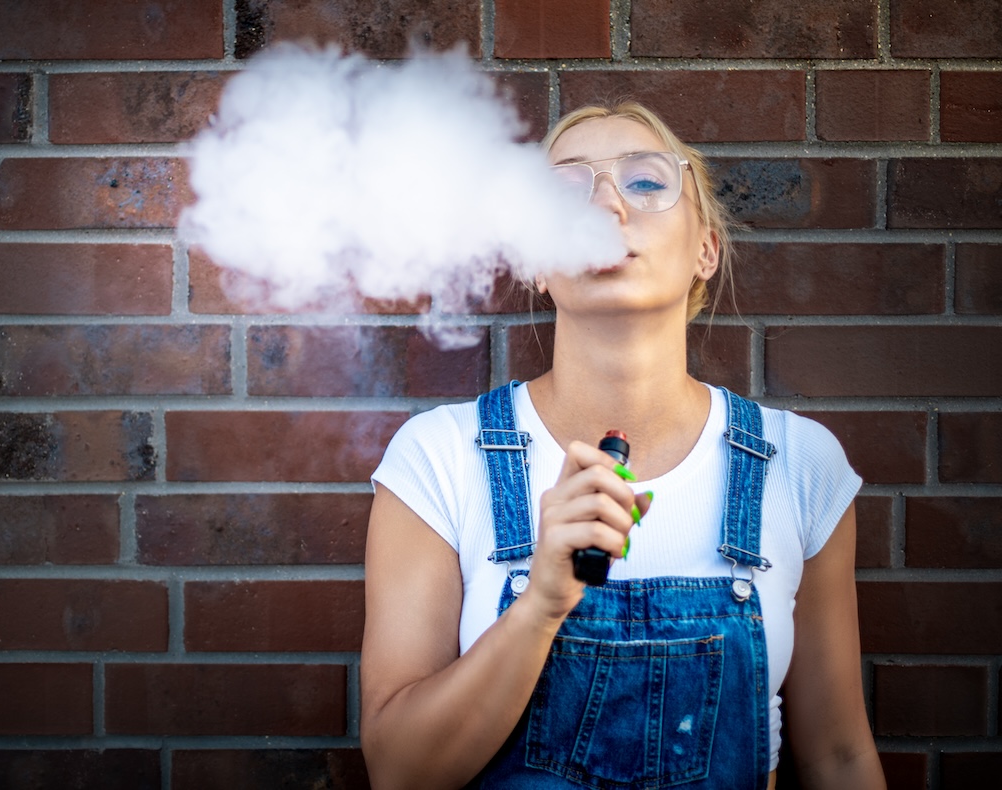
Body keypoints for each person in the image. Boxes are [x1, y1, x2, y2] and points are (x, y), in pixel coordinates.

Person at [360, 101, 886, 789]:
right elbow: (398, 771)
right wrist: (542, 605)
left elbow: (840, 758)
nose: (607, 205)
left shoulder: (799, 465)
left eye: (644, 182)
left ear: (705, 250)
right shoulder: (438, 457)